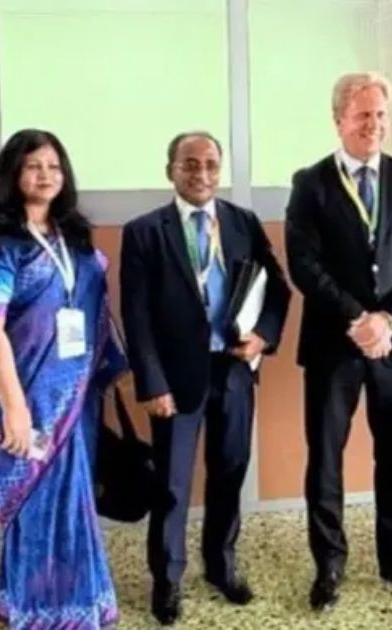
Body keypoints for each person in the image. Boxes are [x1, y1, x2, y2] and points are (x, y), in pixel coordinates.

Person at [285, 71, 392, 612]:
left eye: (380, 114)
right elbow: (304, 263)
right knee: (325, 457)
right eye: (362, 115)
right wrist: (357, 318)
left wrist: (391, 320)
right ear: (339, 120)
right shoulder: (310, 182)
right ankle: (329, 564)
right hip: (335, 342)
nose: (373, 124)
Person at [121, 131, 291, 626]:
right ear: (170, 170)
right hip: (175, 380)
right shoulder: (144, 232)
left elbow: (278, 289)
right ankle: (167, 578)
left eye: (211, 164)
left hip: (234, 370)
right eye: (190, 164)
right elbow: (136, 315)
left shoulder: (242, 222)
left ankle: (221, 565)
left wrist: (263, 337)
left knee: (230, 472)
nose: (202, 173)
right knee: (172, 484)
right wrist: (152, 384)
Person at [0, 129, 126, 627]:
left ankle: (80, 603)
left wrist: (109, 368)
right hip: (25, 397)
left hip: (76, 396)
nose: (45, 175)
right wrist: (14, 409)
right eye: (33, 166)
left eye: (54, 166)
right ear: (12, 174)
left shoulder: (72, 235)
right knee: (36, 505)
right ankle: (37, 609)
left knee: (73, 501)